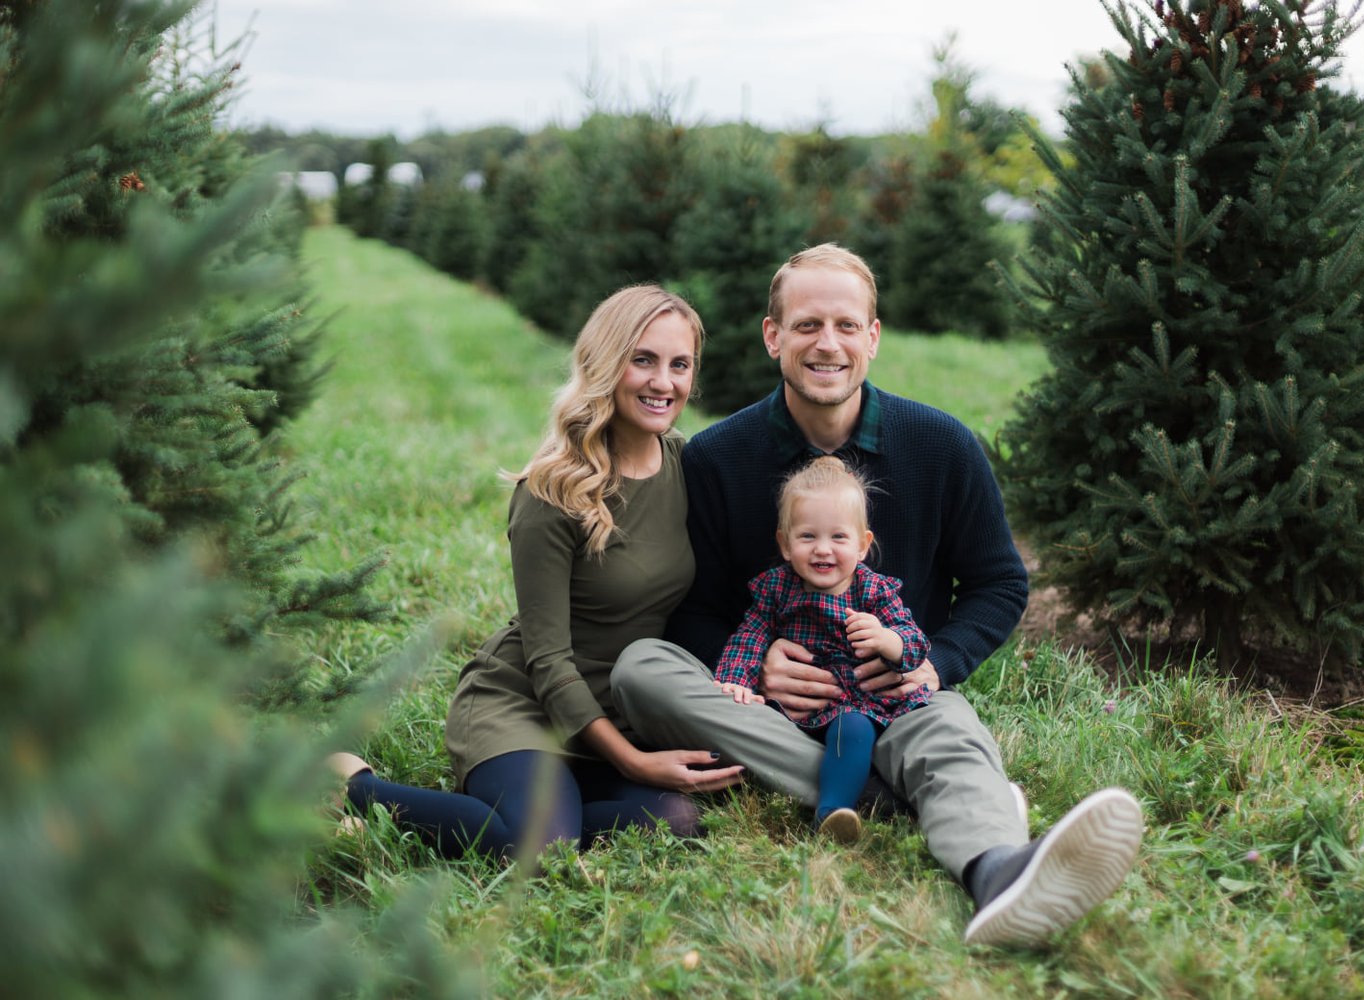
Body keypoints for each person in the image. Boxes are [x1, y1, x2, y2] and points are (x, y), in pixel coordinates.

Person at [612, 245, 1144, 948]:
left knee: (949, 725)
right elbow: (694, 605)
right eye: (805, 325)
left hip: (891, 701)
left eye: (844, 324)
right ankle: (902, 799)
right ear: (774, 337)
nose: (826, 343)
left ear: (873, 336)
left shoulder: (942, 445)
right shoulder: (716, 458)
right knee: (640, 668)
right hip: (764, 712)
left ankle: (999, 874)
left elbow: (999, 581)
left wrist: (935, 663)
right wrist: (755, 661)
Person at [333, 284, 743, 866]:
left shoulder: (687, 465)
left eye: (680, 365)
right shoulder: (553, 491)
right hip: (526, 704)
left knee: (678, 820)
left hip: (620, 714)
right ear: (606, 363)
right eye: (643, 360)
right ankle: (359, 789)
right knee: (537, 849)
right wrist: (632, 762)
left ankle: (532, 809)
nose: (664, 382)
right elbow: (548, 662)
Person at [714, 455, 932, 843]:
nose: (823, 550)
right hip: (793, 708)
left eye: (838, 537)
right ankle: (859, 792)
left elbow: (914, 642)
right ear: (784, 543)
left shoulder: (873, 592)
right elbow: (749, 638)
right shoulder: (778, 590)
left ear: (863, 545)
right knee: (746, 722)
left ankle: (830, 815)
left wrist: (887, 639)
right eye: (808, 536)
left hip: (857, 705)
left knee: (854, 728)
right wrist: (735, 681)